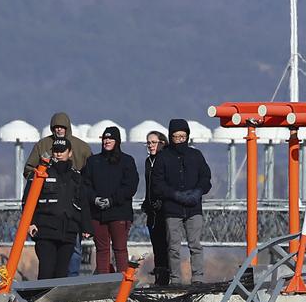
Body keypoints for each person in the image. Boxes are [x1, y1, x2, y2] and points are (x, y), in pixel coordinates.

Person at [24, 112, 92, 277]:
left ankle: (66, 293)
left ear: (70, 153)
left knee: (67, 266)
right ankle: (42, 299)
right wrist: (30, 222)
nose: (58, 154)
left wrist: (86, 226)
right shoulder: (42, 149)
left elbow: (84, 197)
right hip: (46, 225)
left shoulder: (78, 163)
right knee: (47, 268)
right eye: (56, 127)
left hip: (69, 226)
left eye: (62, 127)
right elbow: (28, 196)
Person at [151, 119, 212, 285]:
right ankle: (176, 278)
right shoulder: (163, 157)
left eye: (182, 137)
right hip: (172, 208)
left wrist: (197, 192)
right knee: (173, 246)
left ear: (187, 137)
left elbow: (206, 178)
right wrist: (175, 195)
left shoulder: (196, 155)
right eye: (176, 137)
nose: (179, 140)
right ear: (171, 137)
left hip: (194, 208)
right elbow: (157, 183)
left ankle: (198, 278)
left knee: (196, 245)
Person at [82, 126, 138, 274]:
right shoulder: (93, 161)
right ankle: (103, 282)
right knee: (102, 250)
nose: (107, 141)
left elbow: (130, 187)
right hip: (97, 214)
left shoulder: (127, 161)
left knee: (119, 249)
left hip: (119, 212)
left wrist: (112, 200)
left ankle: (122, 283)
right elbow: (85, 185)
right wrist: (94, 199)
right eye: (105, 138)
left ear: (117, 141)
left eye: (110, 138)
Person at [142, 131, 170, 285]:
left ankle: (166, 277)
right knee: (156, 245)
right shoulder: (148, 161)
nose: (151, 145)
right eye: (148, 143)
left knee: (166, 245)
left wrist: (162, 200)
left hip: (164, 210)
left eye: (154, 142)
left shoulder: (165, 159)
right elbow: (149, 185)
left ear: (162, 143)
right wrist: (147, 202)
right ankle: (159, 275)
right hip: (152, 211)